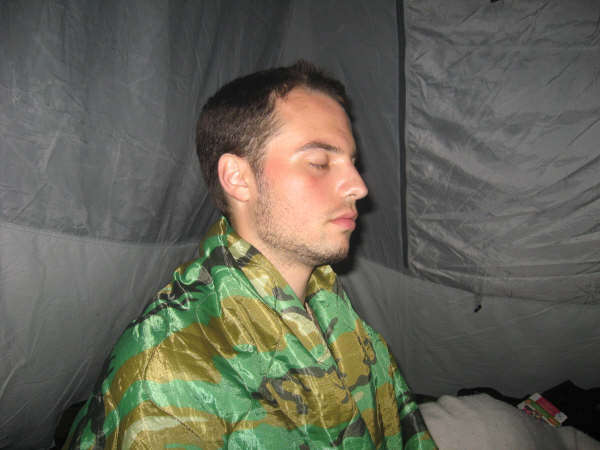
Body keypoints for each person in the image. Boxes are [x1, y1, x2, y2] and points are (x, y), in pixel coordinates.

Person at [64, 60, 437, 449]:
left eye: (352, 164)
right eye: (319, 163)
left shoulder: (346, 324)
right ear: (238, 178)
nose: (358, 186)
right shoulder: (167, 372)